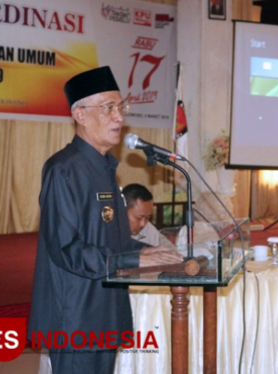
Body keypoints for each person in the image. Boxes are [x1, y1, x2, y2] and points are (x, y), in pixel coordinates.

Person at [28, 66, 183, 374]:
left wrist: (144, 253)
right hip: (76, 314)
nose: (119, 117)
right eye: (108, 108)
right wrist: (129, 259)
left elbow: (113, 240)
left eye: (120, 107)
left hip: (105, 308)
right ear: (80, 115)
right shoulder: (64, 169)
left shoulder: (105, 167)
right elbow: (66, 249)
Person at [123, 183, 175, 249]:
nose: (143, 224)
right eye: (139, 218)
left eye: (147, 218)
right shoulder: (110, 233)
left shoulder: (149, 230)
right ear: (122, 211)